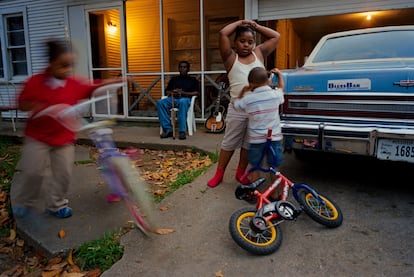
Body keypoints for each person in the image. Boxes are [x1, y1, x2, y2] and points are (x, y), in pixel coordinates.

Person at [10, 39, 121, 219]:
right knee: (33, 172)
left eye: (70, 65)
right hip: (38, 137)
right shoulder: (35, 82)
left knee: (63, 174)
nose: (67, 69)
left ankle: (56, 205)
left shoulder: (73, 83)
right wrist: (39, 106)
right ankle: (25, 202)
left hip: (63, 138)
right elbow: (22, 104)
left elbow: (92, 87)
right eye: (63, 65)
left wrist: (115, 81)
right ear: (51, 63)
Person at [207, 20, 280, 188]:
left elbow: (276, 36)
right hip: (238, 108)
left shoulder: (259, 54)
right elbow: (222, 33)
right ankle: (219, 173)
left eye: (250, 41)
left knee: (248, 143)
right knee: (229, 143)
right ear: (235, 42)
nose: (246, 45)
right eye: (242, 41)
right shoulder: (231, 57)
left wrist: (256, 27)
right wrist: (241, 22)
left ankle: (240, 172)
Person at [232, 67, 285, 186]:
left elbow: (236, 105)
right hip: (274, 138)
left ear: (250, 84)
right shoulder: (275, 95)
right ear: (268, 81)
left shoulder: (248, 99)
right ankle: (275, 195)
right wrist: (280, 76)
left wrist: (244, 91)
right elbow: (282, 89)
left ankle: (254, 192)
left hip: (256, 140)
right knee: (274, 166)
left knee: (255, 166)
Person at [158, 61, 200, 140]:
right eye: (180, 67)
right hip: (174, 99)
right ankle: (168, 129)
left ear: (188, 69)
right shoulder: (174, 79)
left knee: (182, 102)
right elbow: (167, 91)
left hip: (185, 99)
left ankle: (182, 131)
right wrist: (173, 92)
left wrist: (183, 92)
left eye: (184, 67)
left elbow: (197, 92)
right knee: (160, 103)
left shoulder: (192, 80)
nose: (182, 69)